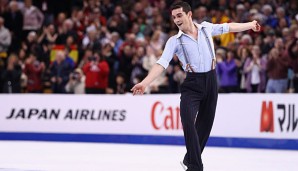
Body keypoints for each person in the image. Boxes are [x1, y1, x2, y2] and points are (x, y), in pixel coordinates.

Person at [131, 1, 260, 171]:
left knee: (205, 126)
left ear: (189, 14)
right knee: (188, 121)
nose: (176, 20)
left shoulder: (206, 28)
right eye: (174, 17)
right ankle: (195, 167)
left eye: (179, 15)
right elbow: (161, 63)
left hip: (211, 81)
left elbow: (228, 27)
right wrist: (145, 83)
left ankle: (189, 160)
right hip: (192, 83)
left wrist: (250, 24)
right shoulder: (174, 41)